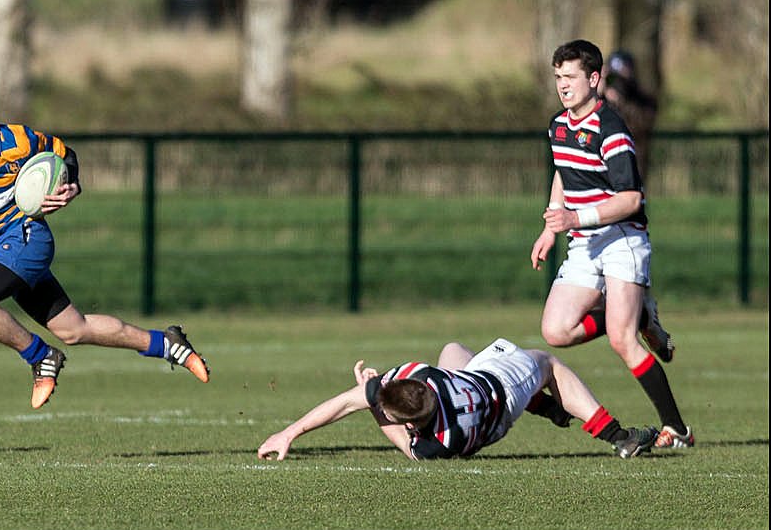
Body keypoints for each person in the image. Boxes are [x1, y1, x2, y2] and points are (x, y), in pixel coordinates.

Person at [0, 91, 210, 409]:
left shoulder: (16, 141)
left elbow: (65, 152)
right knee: (74, 329)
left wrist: (72, 185)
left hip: (27, 237)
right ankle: (167, 344)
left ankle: (41, 357)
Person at [529, 39, 693, 450]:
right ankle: (638, 315)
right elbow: (563, 171)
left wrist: (574, 219)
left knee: (622, 340)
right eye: (558, 77)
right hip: (585, 243)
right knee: (556, 330)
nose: (563, 85)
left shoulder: (612, 130)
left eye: (570, 77)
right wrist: (551, 224)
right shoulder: (558, 125)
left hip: (622, 239)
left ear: (594, 79)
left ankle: (677, 428)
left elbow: (631, 199)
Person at [255, 338, 660, 461]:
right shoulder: (423, 375)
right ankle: (616, 435)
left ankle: (554, 408)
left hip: (490, 400)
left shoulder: (437, 444)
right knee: (545, 362)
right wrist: (376, 395)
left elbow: (348, 404)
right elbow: (355, 402)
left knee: (455, 348)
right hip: (491, 388)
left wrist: (375, 404)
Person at [598, 50, 659, 172]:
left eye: (621, 78)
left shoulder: (642, 100)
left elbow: (642, 124)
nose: (617, 84)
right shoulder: (599, 100)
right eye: (613, 78)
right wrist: (597, 93)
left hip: (632, 163)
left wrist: (620, 102)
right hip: (603, 165)